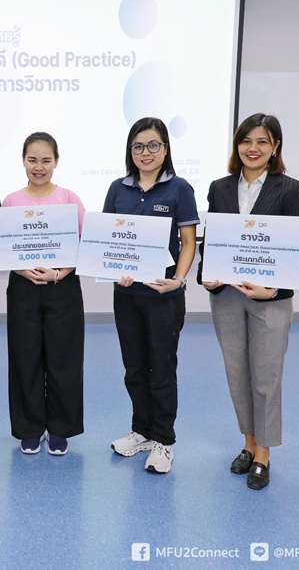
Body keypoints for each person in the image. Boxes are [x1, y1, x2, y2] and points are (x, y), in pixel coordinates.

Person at [197, 114, 299, 490]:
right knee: (237, 373)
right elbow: (211, 239)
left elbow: (294, 248)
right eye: (246, 141)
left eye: (262, 141)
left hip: (269, 299)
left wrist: (273, 290)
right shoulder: (220, 187)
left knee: (266, 377)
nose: (253, 148)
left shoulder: (289, 189)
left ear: (275, 146)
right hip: (227, 296)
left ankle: (264, 452)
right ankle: (248, 442)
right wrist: (207, 275)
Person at [106, 117, 198, 474]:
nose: (146, 152)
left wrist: (179, 279)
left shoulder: (180, 189)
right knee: (133, 368)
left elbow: (188, 242)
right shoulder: (118, 188)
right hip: (127, 294)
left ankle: (164, 440)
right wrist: (115, 269)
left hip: (164, 296)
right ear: (130, 151)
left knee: (161, 369)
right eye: (138, 146)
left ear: (165, 148)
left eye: (153, 145)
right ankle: (142, 430)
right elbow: (110, 240)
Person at [2, 132, 86, 456]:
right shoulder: (12, 201)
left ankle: (60, 428)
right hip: (23, 288)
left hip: (62, 285)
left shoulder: (69, 199)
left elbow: (87, 244)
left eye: (46, 160)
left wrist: (59, 273)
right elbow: (5, 248)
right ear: (23, 161)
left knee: (64, 358)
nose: (39, 167)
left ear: (56, 162)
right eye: (32, 160)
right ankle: (30, 428)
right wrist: (21, 269)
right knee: (25, 358)